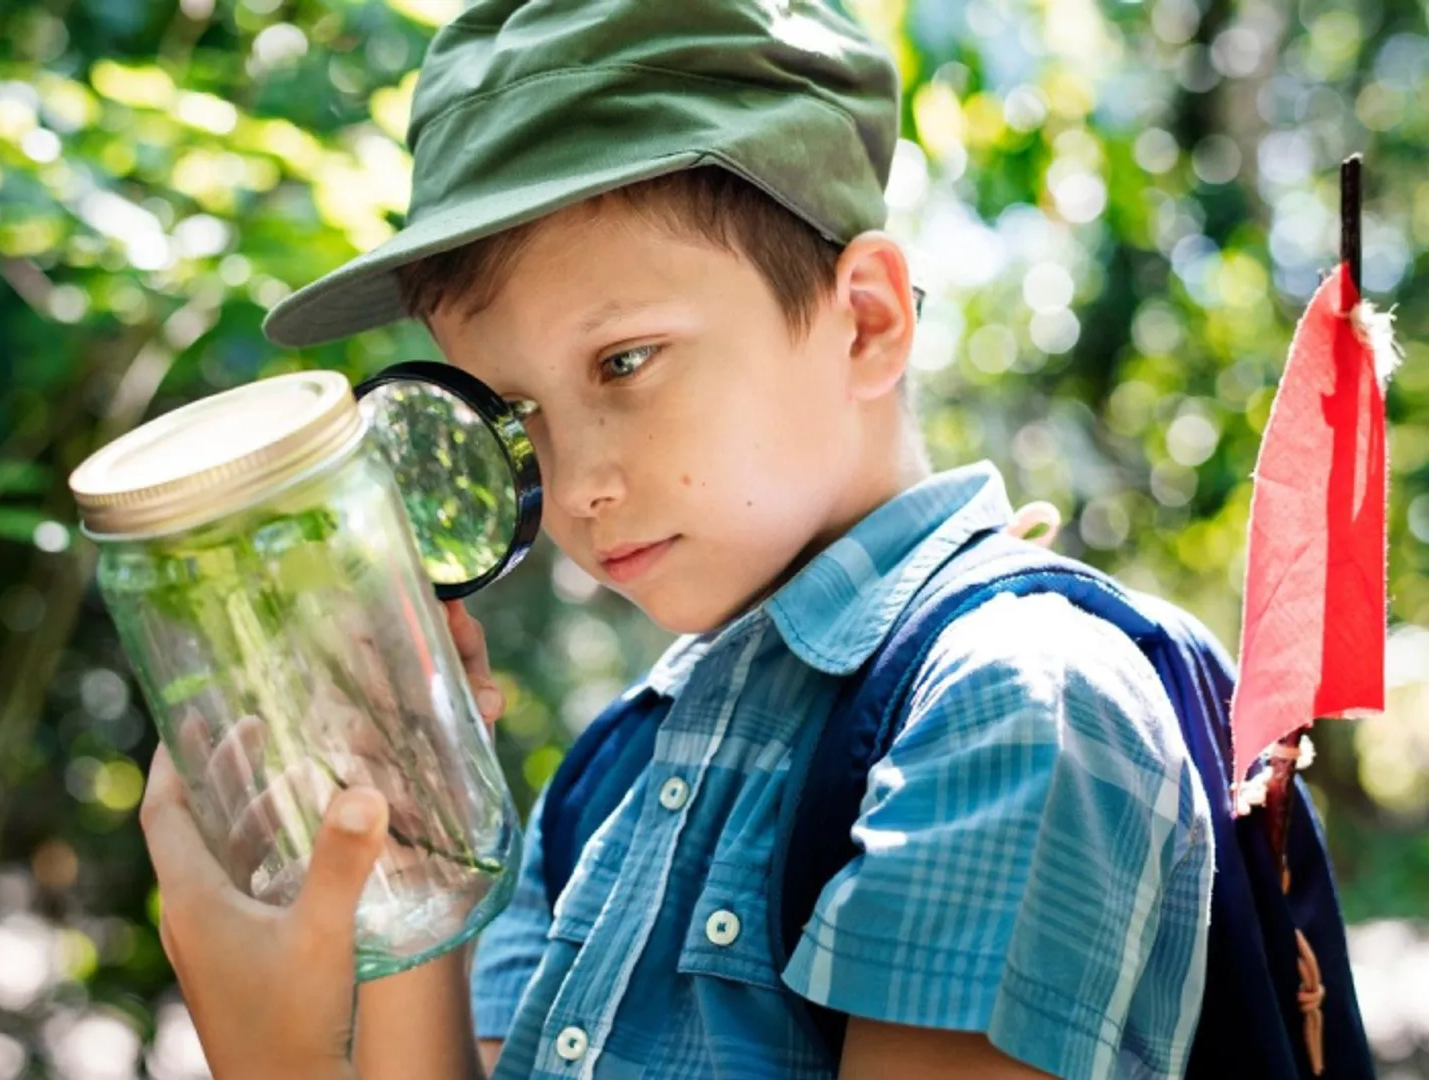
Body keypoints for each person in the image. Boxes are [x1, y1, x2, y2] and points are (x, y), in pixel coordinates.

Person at [138, 1, 1214, 1077]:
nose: (573, 485)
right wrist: (412, 860)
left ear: (866, 320)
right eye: (511, 415)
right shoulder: (609, 772)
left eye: (622, 362)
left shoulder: (1009, 708)